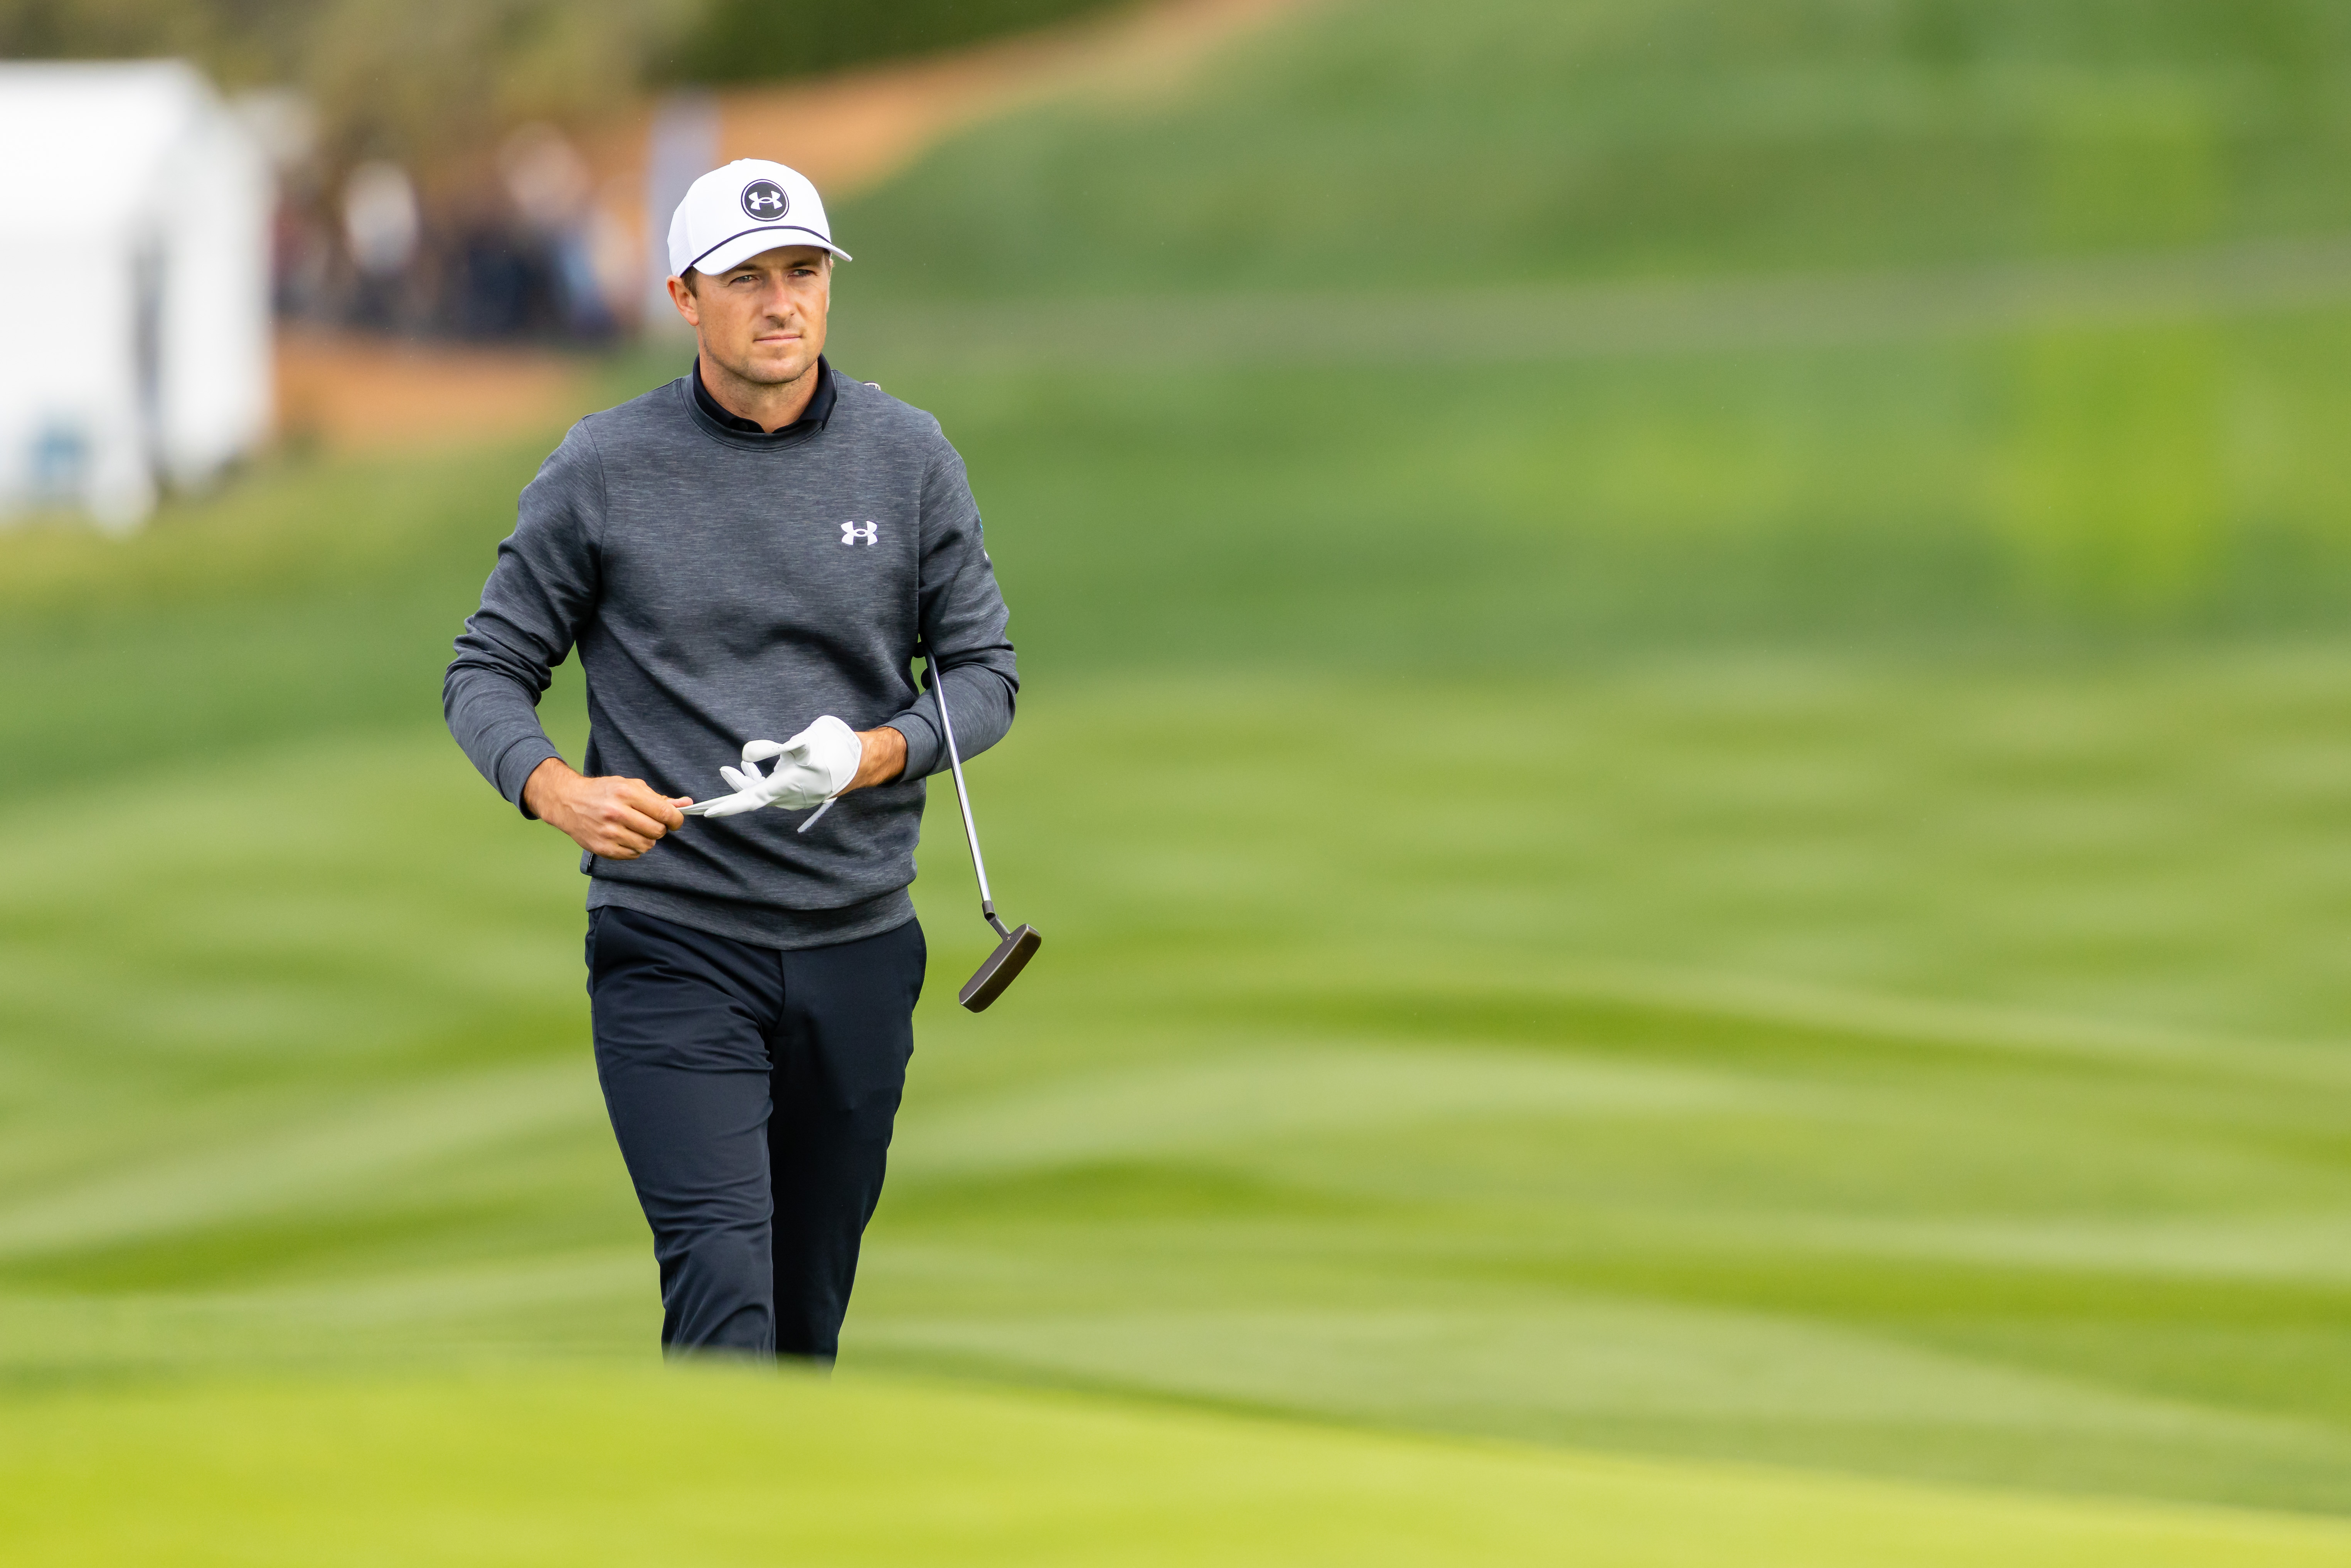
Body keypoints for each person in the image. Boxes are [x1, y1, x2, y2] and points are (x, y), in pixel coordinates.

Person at [443, 159, 1018, 1364]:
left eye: (802, 272)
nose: (779, 302)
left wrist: (871, 752)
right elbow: (485, 670)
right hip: (673, 943)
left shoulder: (907, 457)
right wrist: (557, 789)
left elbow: (982, 677)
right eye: (743, 278)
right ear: (682, 299)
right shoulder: (604, 466)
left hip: (858, 945)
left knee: (805, 1322)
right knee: (722, 1285)